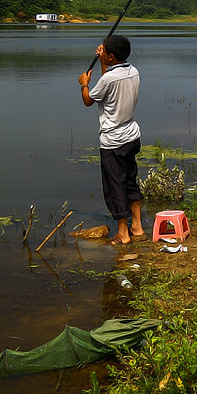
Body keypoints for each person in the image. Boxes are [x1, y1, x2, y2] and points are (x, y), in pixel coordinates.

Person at [79, 34, 144, 245]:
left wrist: (83, 84)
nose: (102, 52)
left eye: (104, 51)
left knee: (115, 186)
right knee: (130, 180)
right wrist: (102, 62)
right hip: (132, 136)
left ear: (111, 56)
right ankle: (137, 226)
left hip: (113, 141)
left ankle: (123, 233)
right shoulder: (133, 71)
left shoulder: (108, 78)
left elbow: (89, 100)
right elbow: (108, 82)